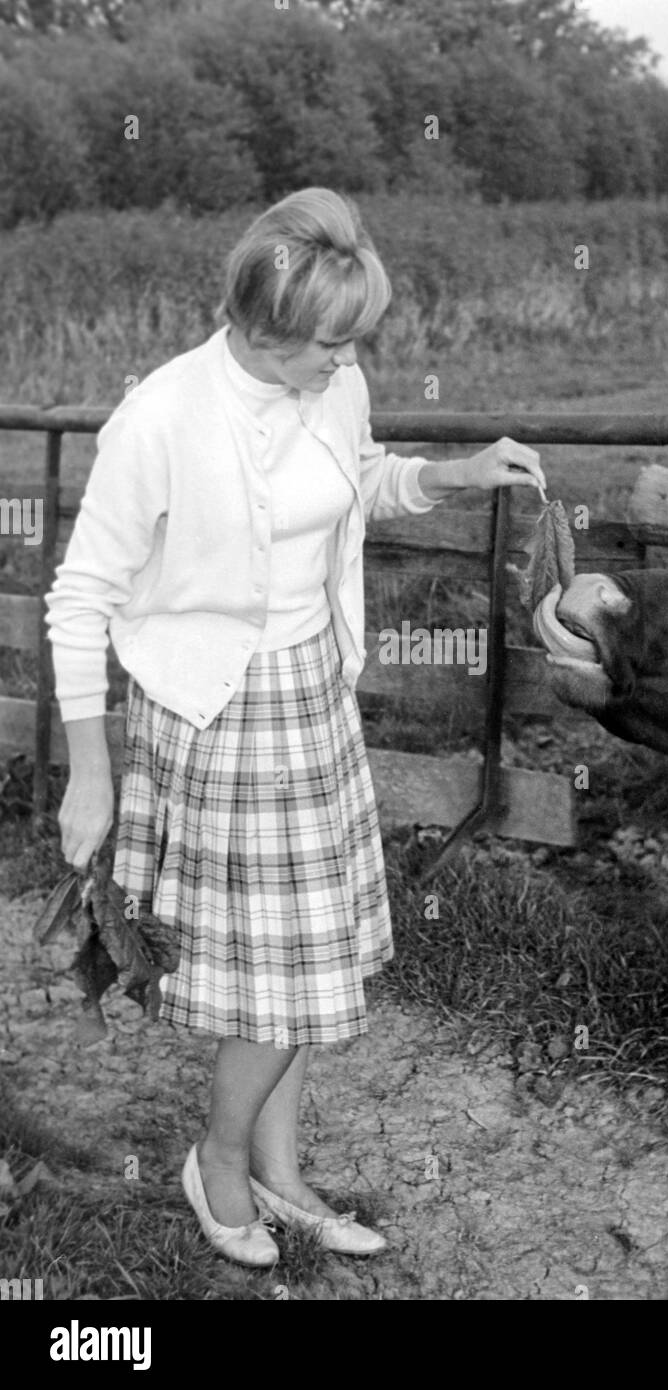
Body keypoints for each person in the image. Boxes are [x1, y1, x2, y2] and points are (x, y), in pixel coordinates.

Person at [45, 187, 546, 1267]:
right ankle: (216, 1164)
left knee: (307, 973)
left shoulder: (334, 385)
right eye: (330, 341)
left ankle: (280, 1176)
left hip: (312, 701)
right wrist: (91, 768)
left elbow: (351, 486)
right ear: (260, 326)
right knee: (276, 982)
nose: (346, 360)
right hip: (213, 716)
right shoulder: (162, 417)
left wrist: (451, 473)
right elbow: (79, 595)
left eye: (354, 340)